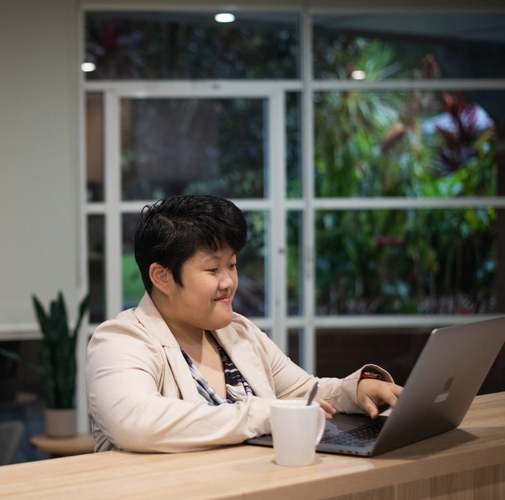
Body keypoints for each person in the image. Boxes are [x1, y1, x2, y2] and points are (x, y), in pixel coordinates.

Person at [85, 194, 403, 453]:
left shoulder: (238, 332)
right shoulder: (122, 340)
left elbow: (305, 393)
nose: (228, 282)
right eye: (213, 270)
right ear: (162, 277)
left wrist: (355, 390)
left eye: (232, 265)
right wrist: (263, 413)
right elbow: (135, 424)